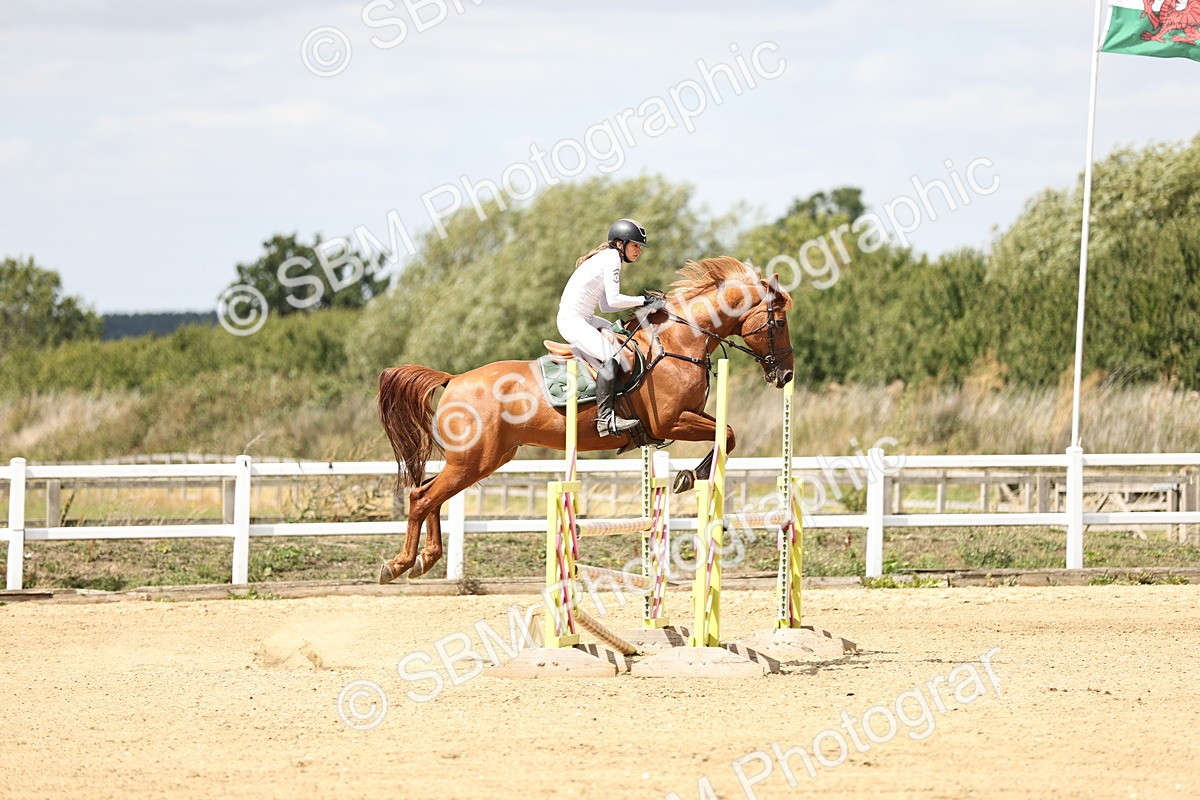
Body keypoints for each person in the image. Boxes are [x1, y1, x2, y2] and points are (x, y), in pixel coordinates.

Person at [557, 218, 660, 437]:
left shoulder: (610, 257)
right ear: (620, 243)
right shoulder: (612, 258)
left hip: (584, 318)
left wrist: (642, 302)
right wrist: (644, 300)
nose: (638, 251)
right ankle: (605, 419)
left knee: (619, 332)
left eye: (639, 247)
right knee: (611, 357)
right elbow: (613, 301)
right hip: (573, 321)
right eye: (635, 245)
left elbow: (605, 305)